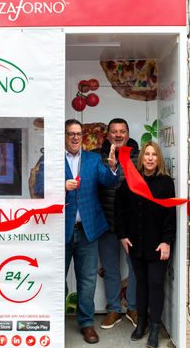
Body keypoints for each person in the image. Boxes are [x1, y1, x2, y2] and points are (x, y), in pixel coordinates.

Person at [115, 141, 176, 348]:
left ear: (159, 159)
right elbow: (119, 209)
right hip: (135, 244)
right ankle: (141, 324)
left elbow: (170, 215)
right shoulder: (131, 180)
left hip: (158, 245)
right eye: (147, 154)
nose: (150, 158)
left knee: (156, 285)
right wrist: (122, 236)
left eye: (154, 155)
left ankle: (155, 328)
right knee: (140, 284)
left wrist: (166, 242)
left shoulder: (166, 182)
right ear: (141, 158)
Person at [65, 119, 119, 344]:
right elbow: (39, 188)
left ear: (82, 136)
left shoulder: (93, 158)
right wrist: (61, 187)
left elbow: (108, 181)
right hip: (61, 230)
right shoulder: (51, 161)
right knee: (56, 278)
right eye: (70, 134)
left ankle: (86, 323)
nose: (75, 137)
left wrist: (113, 167)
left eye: (78, 133)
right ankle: (51, 321)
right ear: (65, 137)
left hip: (88, 230)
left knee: (87, 280)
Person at [93, 118, 138, 329]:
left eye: (122, 131)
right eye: (114, 132)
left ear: (127, 134)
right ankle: (113, 309)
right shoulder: (96, 157)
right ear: (108, 135)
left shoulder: (139, 156)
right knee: (111, 269)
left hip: (132, 225)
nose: (118, 135)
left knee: (135, 268)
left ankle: (133, 307)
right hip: (106, 223)